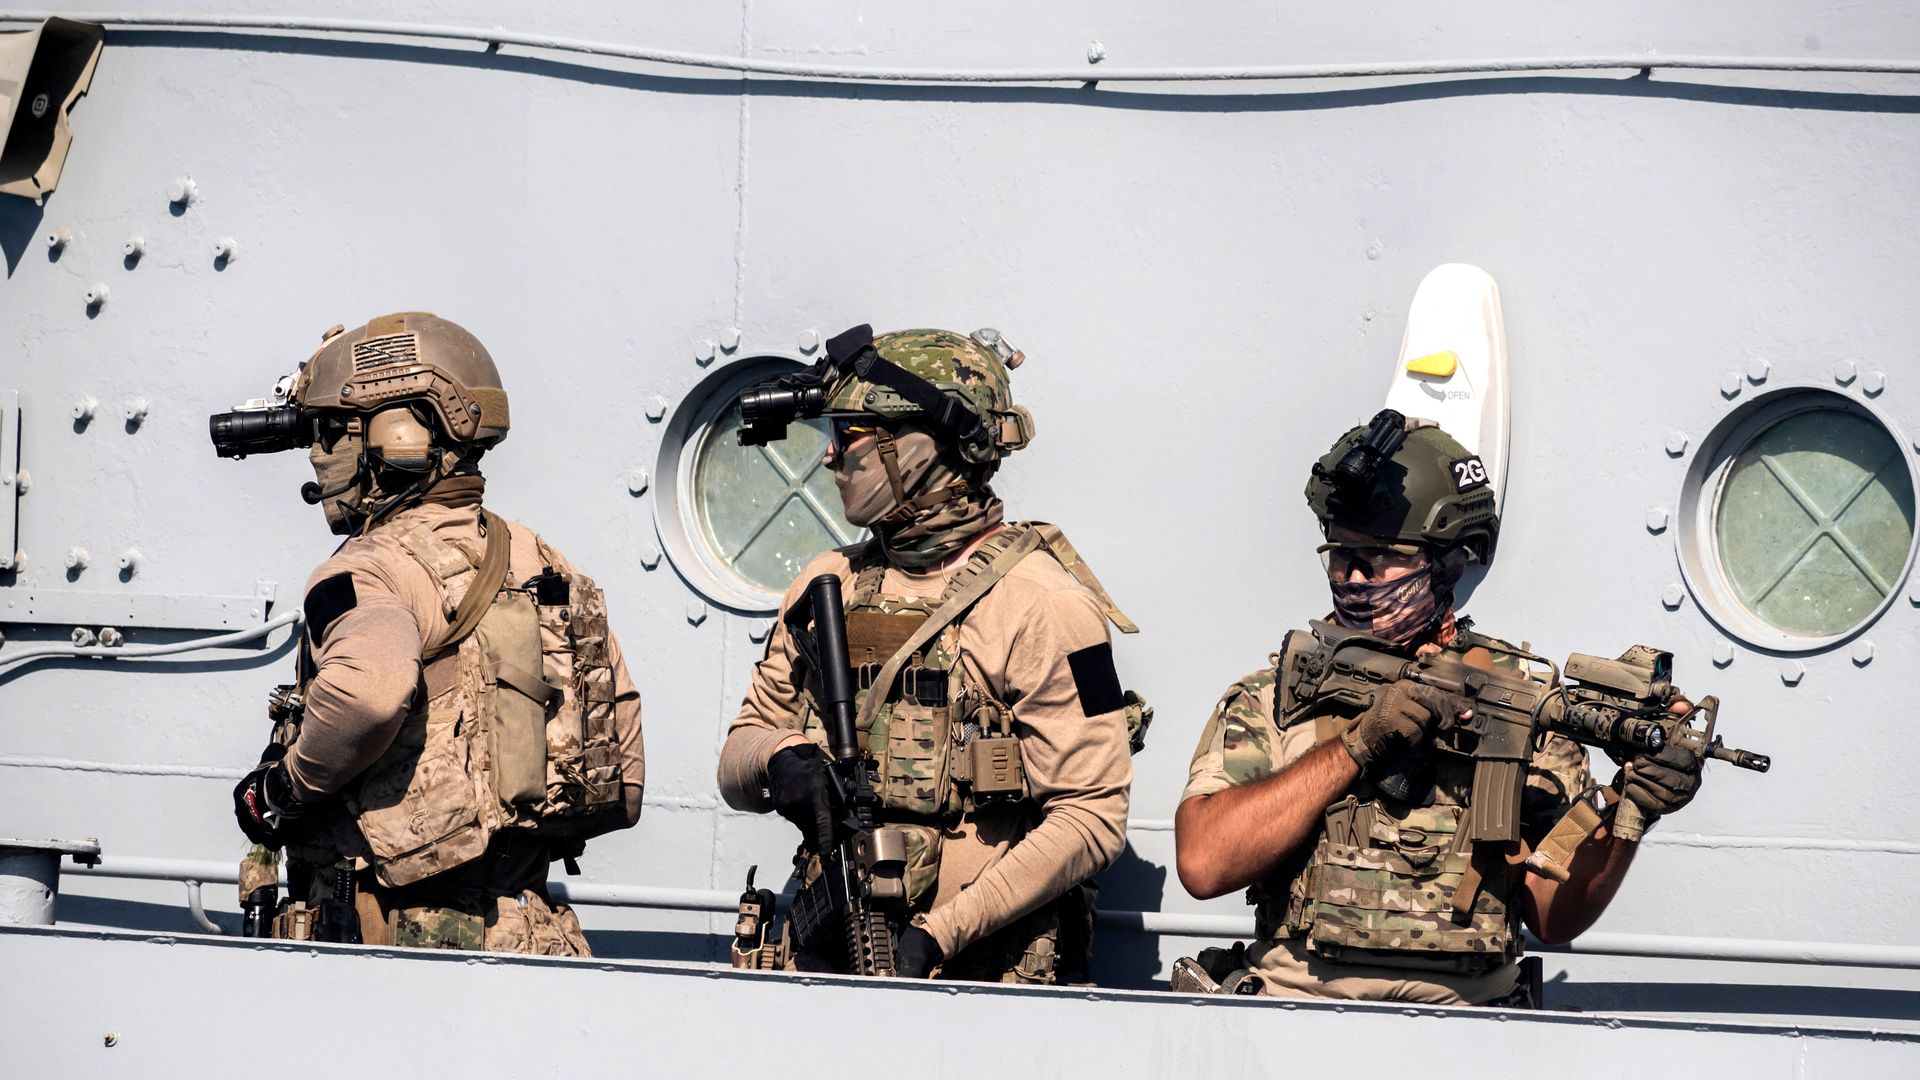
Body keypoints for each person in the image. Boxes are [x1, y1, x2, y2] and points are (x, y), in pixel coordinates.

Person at [1172, 412, 1703, 1005]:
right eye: (1339, 554)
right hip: (1301, 1010)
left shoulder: (1523, 703)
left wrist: (1631, 810)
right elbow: (1203, 863)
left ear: (1446, 562)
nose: (1351, 576)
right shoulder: (1276, 695)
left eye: (1378, 558)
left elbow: (1553, 915)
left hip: (1477, 1028)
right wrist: (1356, 747)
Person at [718, 324, 1142, 984]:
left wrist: (937, 937)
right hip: (829, 951)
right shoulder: (827, 585)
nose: (830, 459)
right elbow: (738, 755)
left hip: (979, 969)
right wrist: (780, 760)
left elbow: (1092, 820)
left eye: (850, 438)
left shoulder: (1048, 605)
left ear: (917, 450)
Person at [219, 311, 645, 955]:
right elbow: (624, 771)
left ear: (397, 436)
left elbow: (368, 696)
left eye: (333, 432)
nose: (316, 453)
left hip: (392, 938)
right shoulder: (550, 566)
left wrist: (279, 792)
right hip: (529, 932)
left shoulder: (367, 568)